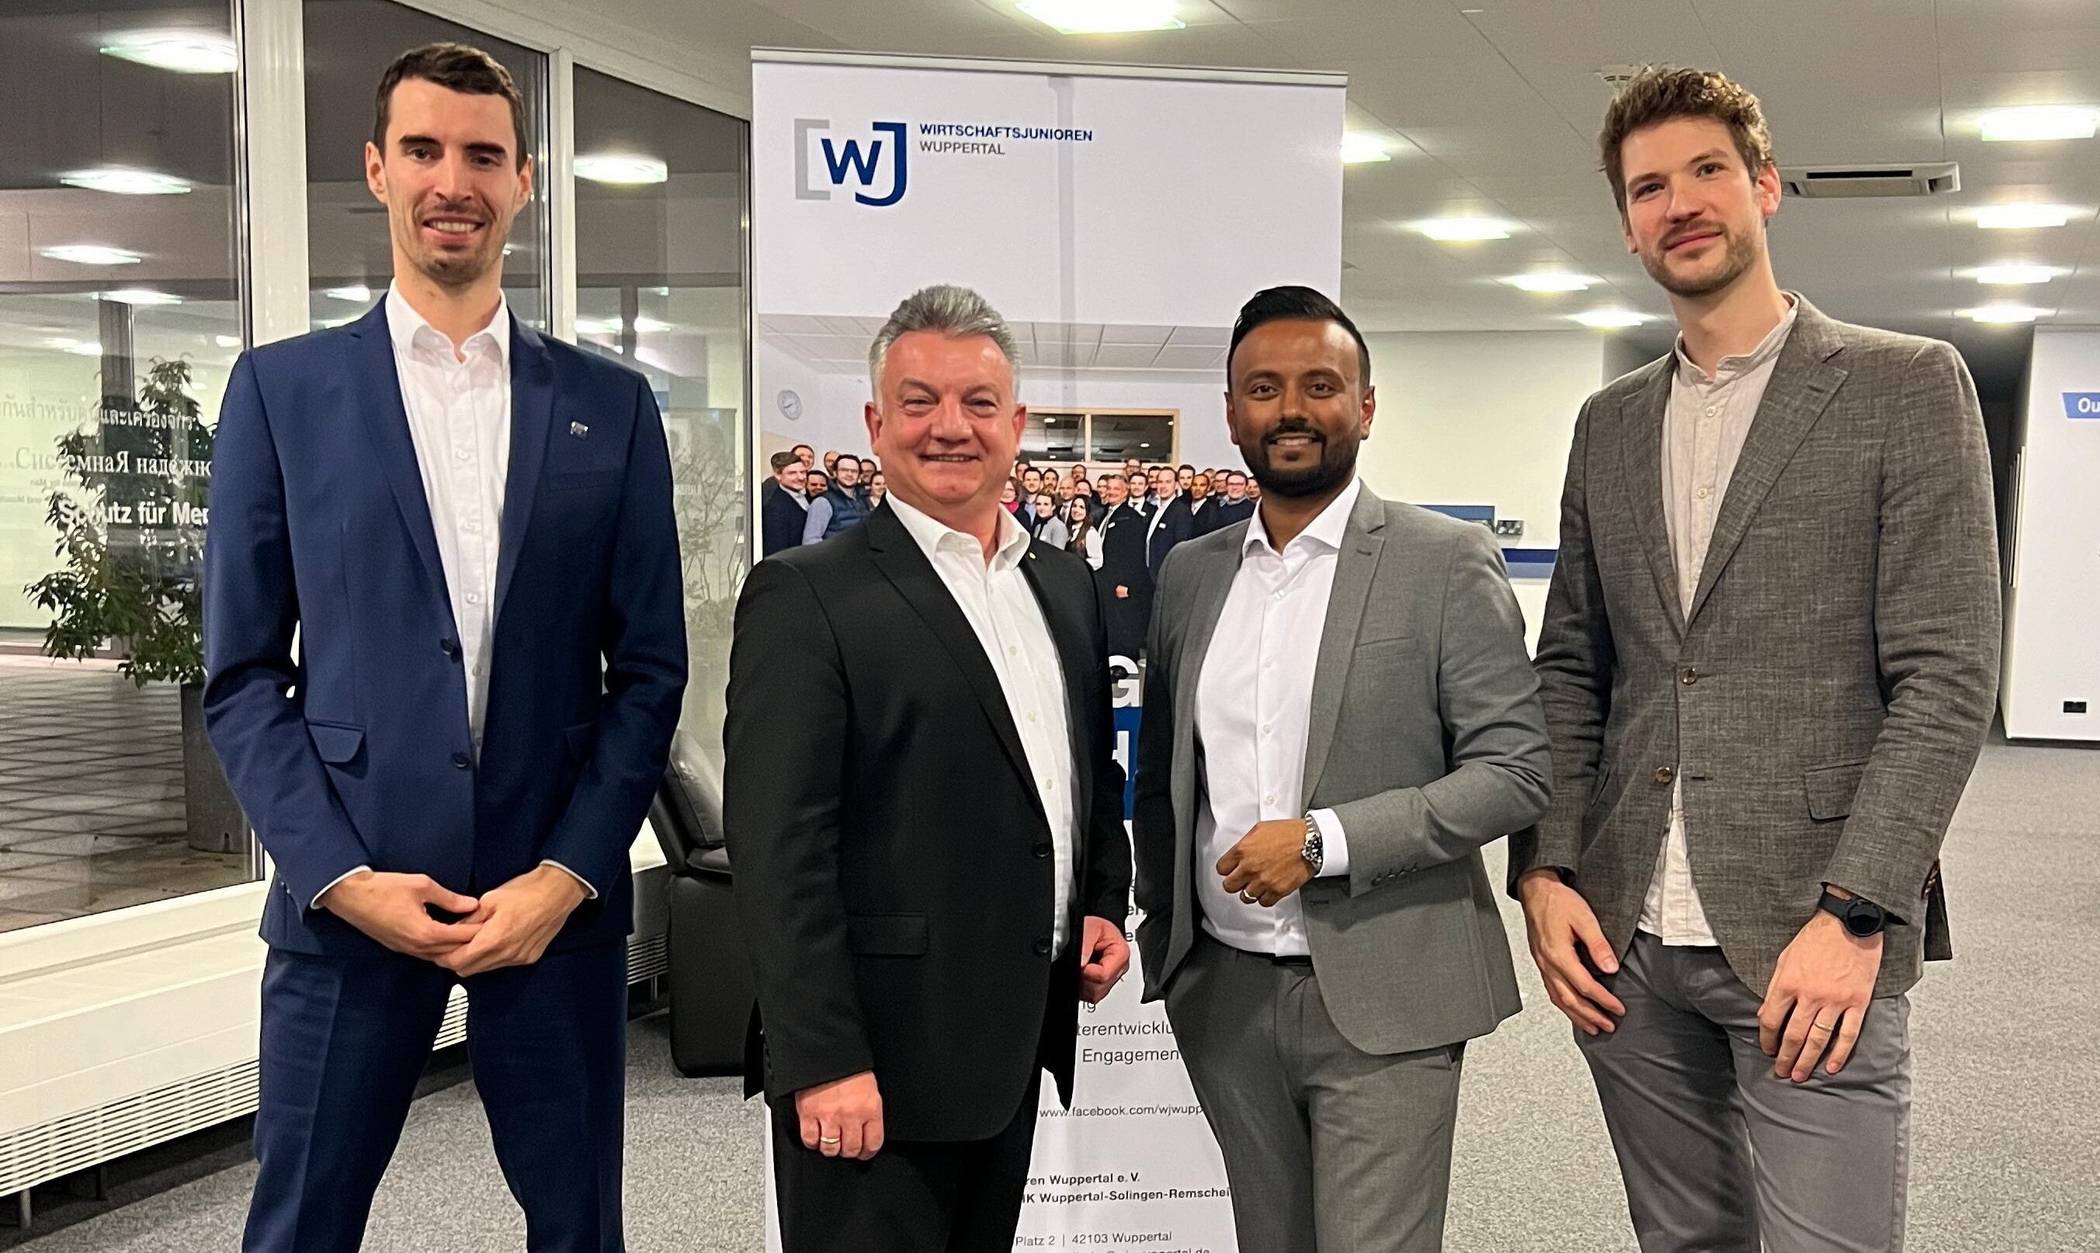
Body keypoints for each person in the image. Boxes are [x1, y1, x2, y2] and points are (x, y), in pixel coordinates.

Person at [201, 43, 686, 1253]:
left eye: (482, 155)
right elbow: (244, 676)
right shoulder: (281, 394)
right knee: (298, 1228)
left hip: (550, 904)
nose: (452, 181)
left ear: (524, 180)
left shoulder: (611, 406)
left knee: (579, 1229)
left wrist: (567, 873)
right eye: (422, 149)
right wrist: (338, 874)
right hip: (348, 900)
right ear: (377, 169)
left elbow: (649, 673)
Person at [1509, 68, 2001, 1253]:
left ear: (1766, 187)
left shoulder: (1905, 385)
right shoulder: (1608, 422)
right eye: (1648, 188)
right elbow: (1571, 663)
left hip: (1811, 929)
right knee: (1683, 1240)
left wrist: (1860, 909)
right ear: (1628, 226)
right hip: (1625, 937)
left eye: (1707, 171)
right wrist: (1545, 869)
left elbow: (1946, 675)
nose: (1679, 203)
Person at [1132, 286, 1548, 1253]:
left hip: (1388, 988)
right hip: (1226, 993)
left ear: (1365, 406)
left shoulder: (1444, 561)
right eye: (1263, 388)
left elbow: (1515, 768)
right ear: (1231, 412)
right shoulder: (1192, 573)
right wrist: (1167, 935)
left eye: (1320, 385)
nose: (1292, 409)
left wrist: (1325, 841)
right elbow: (1163, 775)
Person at [724, 285, 1133, 1253]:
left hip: (1009, 1048)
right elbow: (779, 850)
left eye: (978, 402)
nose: (951, 426)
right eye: (919, 401)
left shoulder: (1061, 584)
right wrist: (822, 1057)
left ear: (1017, 425)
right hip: (874, 1066)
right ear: (876, 425)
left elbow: (1082, 771)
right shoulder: (805, 594)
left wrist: (1100, 900)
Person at [1092, 472, 1149, 661]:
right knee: (1109, 622)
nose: (1112, 492)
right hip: (1105, 578)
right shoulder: (1103, 514)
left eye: (1117, 489)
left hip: (1120, 581)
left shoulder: (1130, 518)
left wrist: (1127, 583)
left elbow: (1134, 554)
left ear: (1125, 492)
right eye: (1109, 488)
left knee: (1122, 622)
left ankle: (1125, 661)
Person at [802, 452, 869, 545]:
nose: (849, 474)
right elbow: (811, 540)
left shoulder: (864, 498)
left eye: (854, 471)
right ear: (835, 472)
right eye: (844, 470)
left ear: (859, 475)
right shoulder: (823, 502)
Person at [762, 450, 810, 558]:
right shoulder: (775, 508)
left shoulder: (806, 496)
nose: (801, 477)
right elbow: (777, 551)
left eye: (803, 472)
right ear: (778, 475)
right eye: (792, 473)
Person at [1066, 496, 1100, 567]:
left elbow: (1097, 560)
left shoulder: (1090, 533)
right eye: (1074, 506)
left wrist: (1078, 564)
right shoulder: (1068, 529)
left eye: (1081, 507)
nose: (1076, 510)